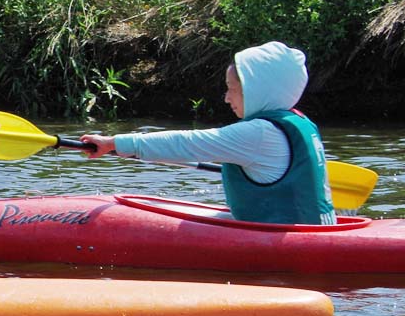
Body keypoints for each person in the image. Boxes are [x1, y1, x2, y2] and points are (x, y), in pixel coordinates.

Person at [79, 41, 335, 225]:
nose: (226, 98)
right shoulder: (300, 122)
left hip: (284, 239)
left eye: (231, 88)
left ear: (256, 89)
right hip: (316, 228)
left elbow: (186, 144)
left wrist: (114, 142)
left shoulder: (257, 134)